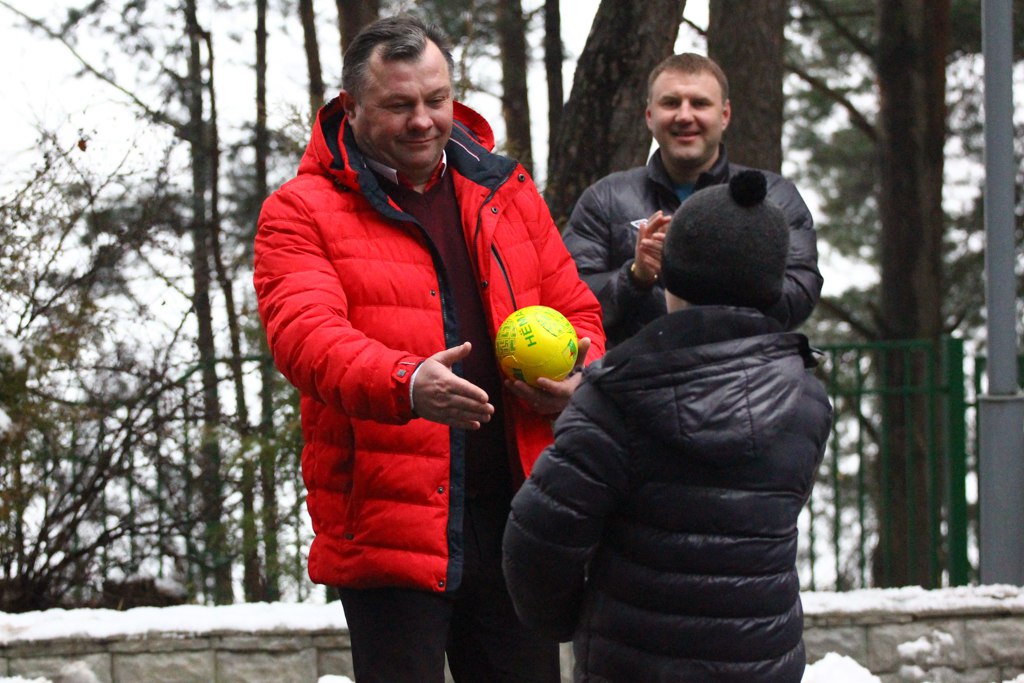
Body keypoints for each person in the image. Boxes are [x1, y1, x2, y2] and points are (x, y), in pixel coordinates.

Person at [252, 14, 605, 683]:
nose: (423, 120)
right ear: (353, 109)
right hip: (390, 522)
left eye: (436, 100)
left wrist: (580, 373)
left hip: (516, 518)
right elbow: (305, 338)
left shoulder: (507, 190)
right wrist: (408, 382)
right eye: (399, 104)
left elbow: (580, 311)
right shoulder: (300, 210)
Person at [503, 171, 833, 682]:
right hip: (764, 663)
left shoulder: (615, 396)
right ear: (772, 286)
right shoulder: (807, 399)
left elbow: (538, 540)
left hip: (634, 662)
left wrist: (567, 620)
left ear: (668, 276)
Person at [562, 52, 823, 348]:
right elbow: (570, 298)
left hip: (744, 379)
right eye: (671, 103)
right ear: (650, 116)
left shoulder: (772, 195)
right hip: (635, 383)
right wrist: (635, 277)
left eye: (699, 103)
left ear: (724, 115)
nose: (684, 116)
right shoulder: (606, 198)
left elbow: (801, 291)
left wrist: (717, 273)